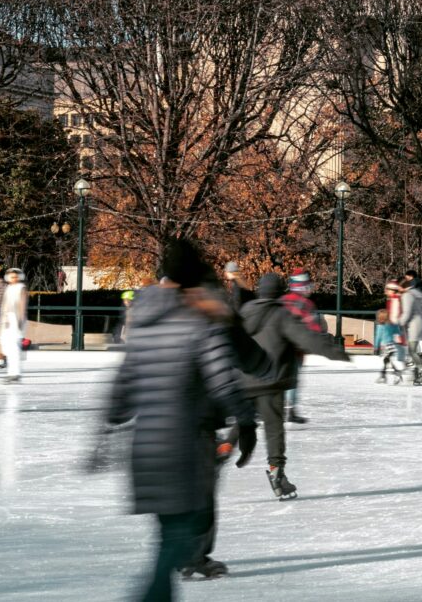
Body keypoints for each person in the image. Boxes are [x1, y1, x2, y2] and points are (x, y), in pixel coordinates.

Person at [107, 238, 258, 599]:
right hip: (185, 445)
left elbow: (121, 393)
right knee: (184, 529)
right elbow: (223, 381)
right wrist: (247, 422)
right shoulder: (200, 321)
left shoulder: (143, 322)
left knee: (169, 534)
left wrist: (115, 417)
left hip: (146, 445)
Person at [239, 272, 351, 500]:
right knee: (274, 431)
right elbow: (307, 338)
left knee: (239, 425)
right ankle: (277, 476)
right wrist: (336, 352)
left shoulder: (244, 312)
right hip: (272, 380)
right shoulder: (281, 314)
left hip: (244, 380)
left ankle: (216, 456)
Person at [279, 269, 326, 423]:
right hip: (296, 349)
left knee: (280, 377)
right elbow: (314, 328)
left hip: (279, 347)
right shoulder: (306, 304)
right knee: (292, 379)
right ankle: (289, 411)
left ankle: (279, 408)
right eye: (308, 285)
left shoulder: (282, 301)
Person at [399, 270, 422, 385]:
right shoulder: (416, 292)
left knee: (412, 351)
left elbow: (407, 313)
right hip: (421, 322)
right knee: (414, 350)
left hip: (413, 325)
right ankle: (419, 371)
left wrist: (398, 323)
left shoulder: (407, 295)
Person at [0, 267, 28, 383]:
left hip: (16, 319)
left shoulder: (21, 288)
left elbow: (22, 305)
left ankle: (15, 373)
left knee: (14, 347)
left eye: (15, 277)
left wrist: (20, 321)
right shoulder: (8, 288)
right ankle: (11, 372)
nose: (13, 279)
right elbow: (5, 305)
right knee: (8, 347)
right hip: (7, 320)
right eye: (11, 276)